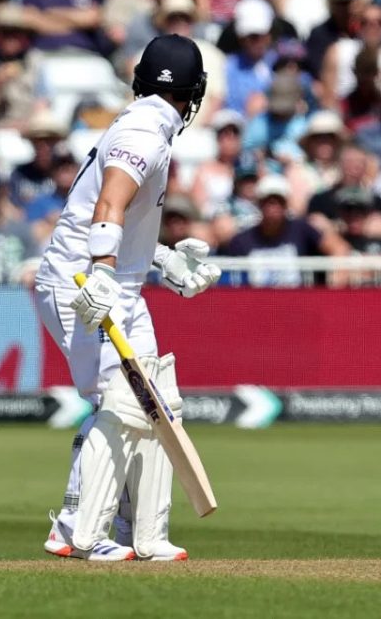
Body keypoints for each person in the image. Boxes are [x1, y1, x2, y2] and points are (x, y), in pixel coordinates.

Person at [34, 34, 222, 562]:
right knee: (119, 405)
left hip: (114, 281)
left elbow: (116, 210)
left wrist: (161, 260)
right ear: (195, 90)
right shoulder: (145, 130)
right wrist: (101, 274)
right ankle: (77, 527)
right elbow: (111, 202)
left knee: (154, 400)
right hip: (86, 282)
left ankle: (141, 530)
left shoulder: (144, 121)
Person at [219, 174, 349, 287]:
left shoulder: (302, 229)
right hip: (257, 305)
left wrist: (335, 283)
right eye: (268, 202)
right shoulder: (243, 240)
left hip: (297, 304)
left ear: (286, 204)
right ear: (259, 204)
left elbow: (338, 248)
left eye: (278, 202)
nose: (273, 207)